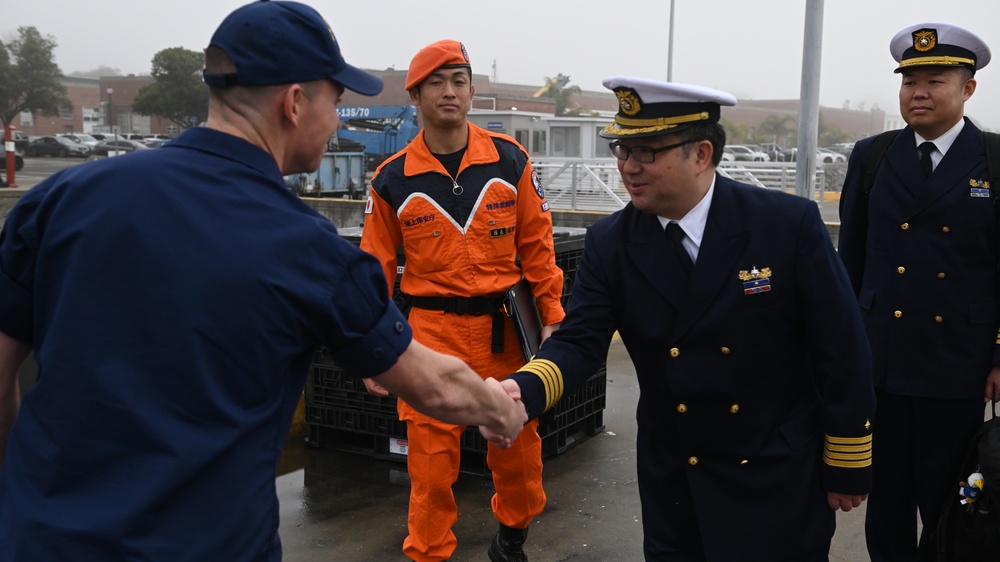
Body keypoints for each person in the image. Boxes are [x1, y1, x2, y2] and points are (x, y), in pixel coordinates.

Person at [0, 2, 527, 560]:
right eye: (337, 102)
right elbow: (432, 384)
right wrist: (500, 410)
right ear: (295, 103)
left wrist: (27, 494)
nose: (337, 122)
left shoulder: (59, 201)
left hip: (38, 538)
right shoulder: (307, 250)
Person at [491, 76, 876, 561]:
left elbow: (841, 349)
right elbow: (579, 342)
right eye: (622, 149)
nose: (628, 167)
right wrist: (521, 391)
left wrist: (847, 461)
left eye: (647, 151)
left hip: (775, 471)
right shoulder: (611, 244)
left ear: (702, 154)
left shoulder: (785, 225)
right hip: (678, 476)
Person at [358, 39, 565, 562]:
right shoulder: (392, 179)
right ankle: (429, 554)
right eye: (436, 82)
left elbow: (539, 247)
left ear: (472, 91)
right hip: (430, 339)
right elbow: (374, 270)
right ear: (416, 95)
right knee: (429, 471)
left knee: (518, 456)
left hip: (506, 336)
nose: (449, 92)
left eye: (459, 81)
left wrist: (553, 320)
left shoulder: (509, 160)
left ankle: (511, 537)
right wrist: (372, 350)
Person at [837, 22, 1000, 561]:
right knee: (885, 500)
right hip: (881, 356)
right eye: (909, 82)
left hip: (958, 361)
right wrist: (846, 348)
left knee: (948, 499)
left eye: (934, 80)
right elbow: (851, 262)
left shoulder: (993, 160)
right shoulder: (873, 155)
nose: (918, 92)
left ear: (968, 88)